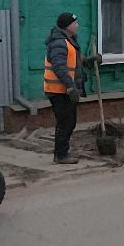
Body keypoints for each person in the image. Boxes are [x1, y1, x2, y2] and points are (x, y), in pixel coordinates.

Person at [43, 12, 83, 164]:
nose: (77, 25)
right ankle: (60, 155)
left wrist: (89, 61)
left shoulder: (68, 41)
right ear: (68, 26)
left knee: (69, 122)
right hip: (58, 91)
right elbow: (59, 67)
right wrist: (71, 86)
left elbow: (72, 62)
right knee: (65, 122)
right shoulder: (59, 42)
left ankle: (62, 152)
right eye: (75, 23)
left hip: (64, 90)